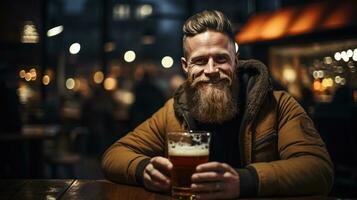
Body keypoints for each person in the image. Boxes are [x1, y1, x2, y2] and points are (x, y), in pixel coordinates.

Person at [102, 10, 333, 198]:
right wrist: (144, 170)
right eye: (200, 61)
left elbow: (318, 169)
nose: (211, 71)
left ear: (235, 59)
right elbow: (114, 155)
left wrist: (243, 182)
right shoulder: (173, 111)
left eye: (221, 58)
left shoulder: (279, 105)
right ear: (186, 66)